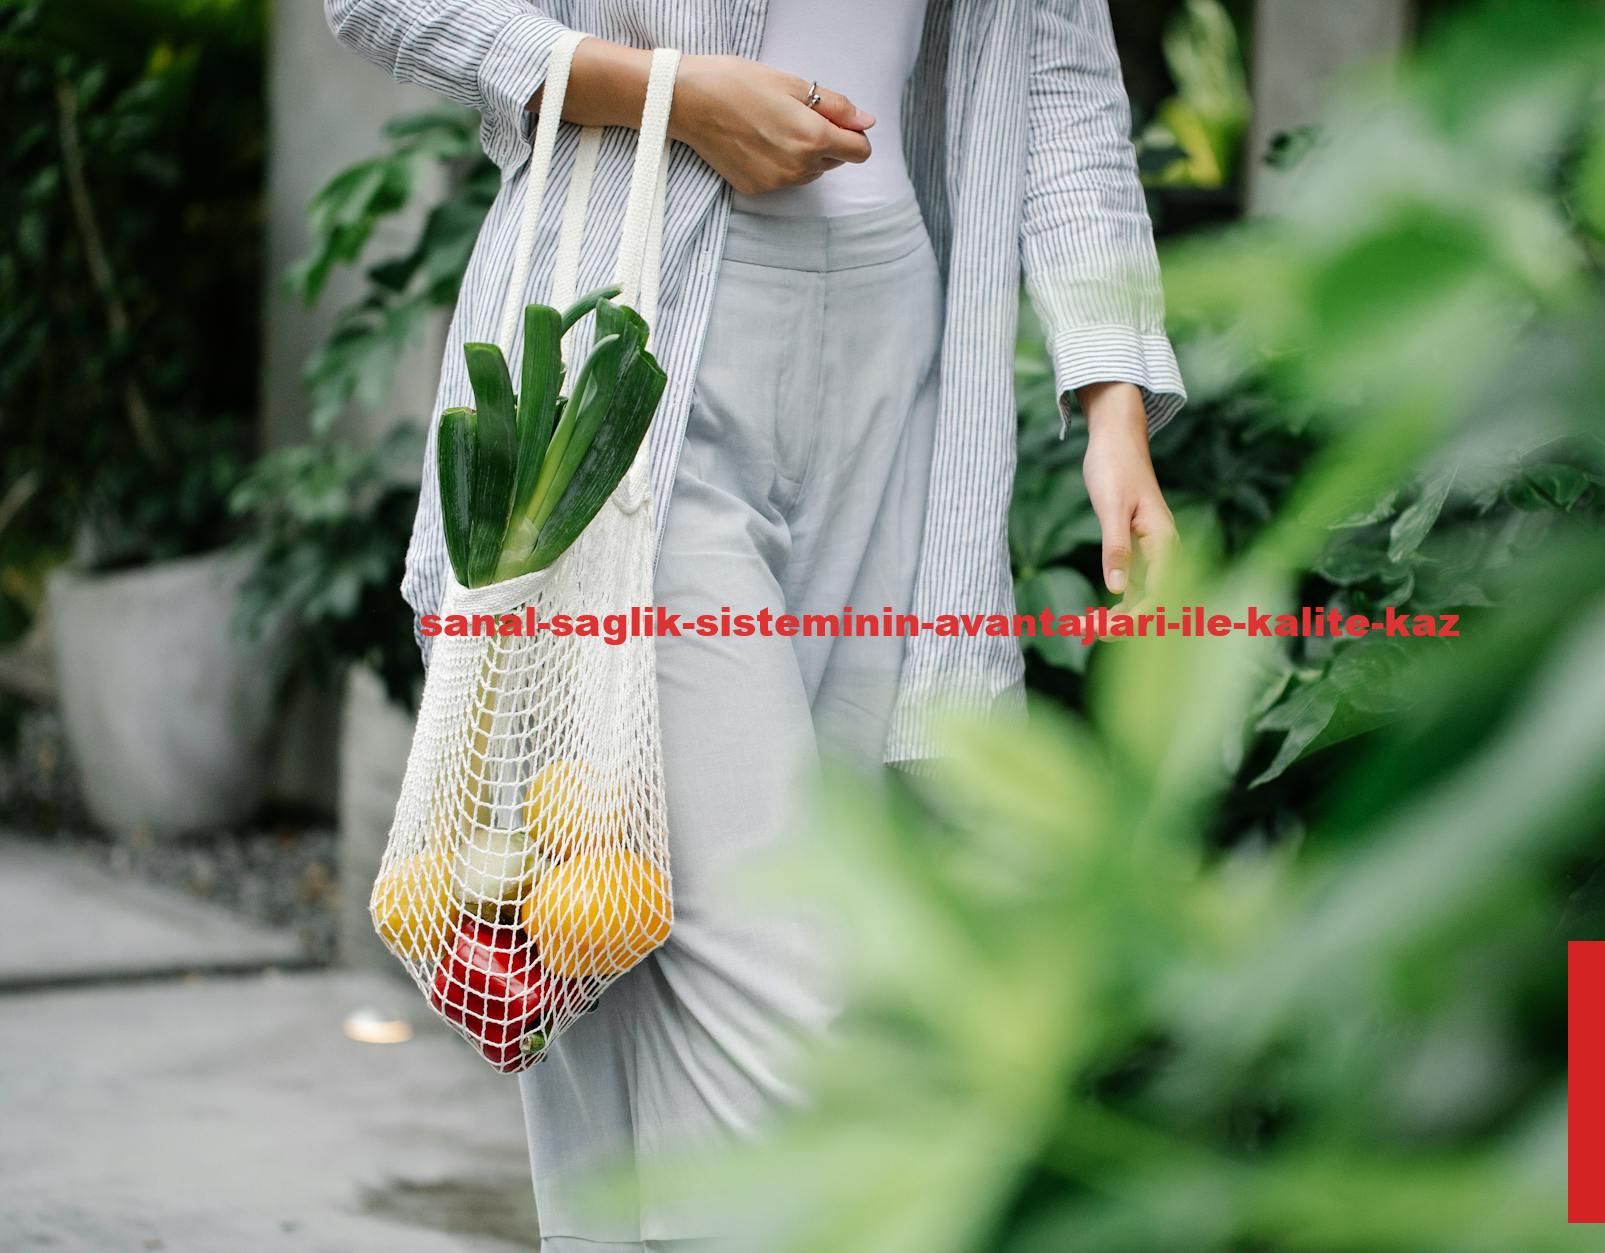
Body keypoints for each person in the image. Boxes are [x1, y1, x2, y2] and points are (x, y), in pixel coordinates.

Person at [325, 1, 1186, 1247]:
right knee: (775, 981)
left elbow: (1054, 61)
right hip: (629, 348)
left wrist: (1112, 400)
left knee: (615, 938)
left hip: (896, 357)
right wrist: (667, 93)